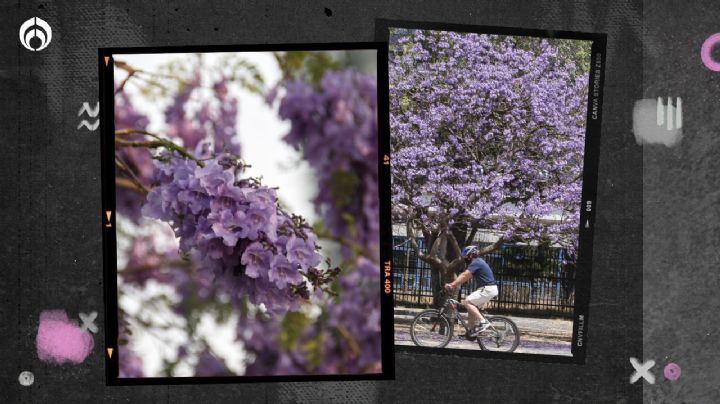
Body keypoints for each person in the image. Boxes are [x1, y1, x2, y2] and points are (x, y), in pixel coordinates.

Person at [444, 245, 499, 339]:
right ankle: (471, 332)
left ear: (471, 255)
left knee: (467, 302)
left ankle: (483, 322)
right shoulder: (477, 263)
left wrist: (452, 284)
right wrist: (456, 283)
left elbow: (465, 275)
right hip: (488, 289)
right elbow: (466, 277)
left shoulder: (476, 262)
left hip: (487, 289)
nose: (465, 258)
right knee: (471, 308)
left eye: (466, 256)